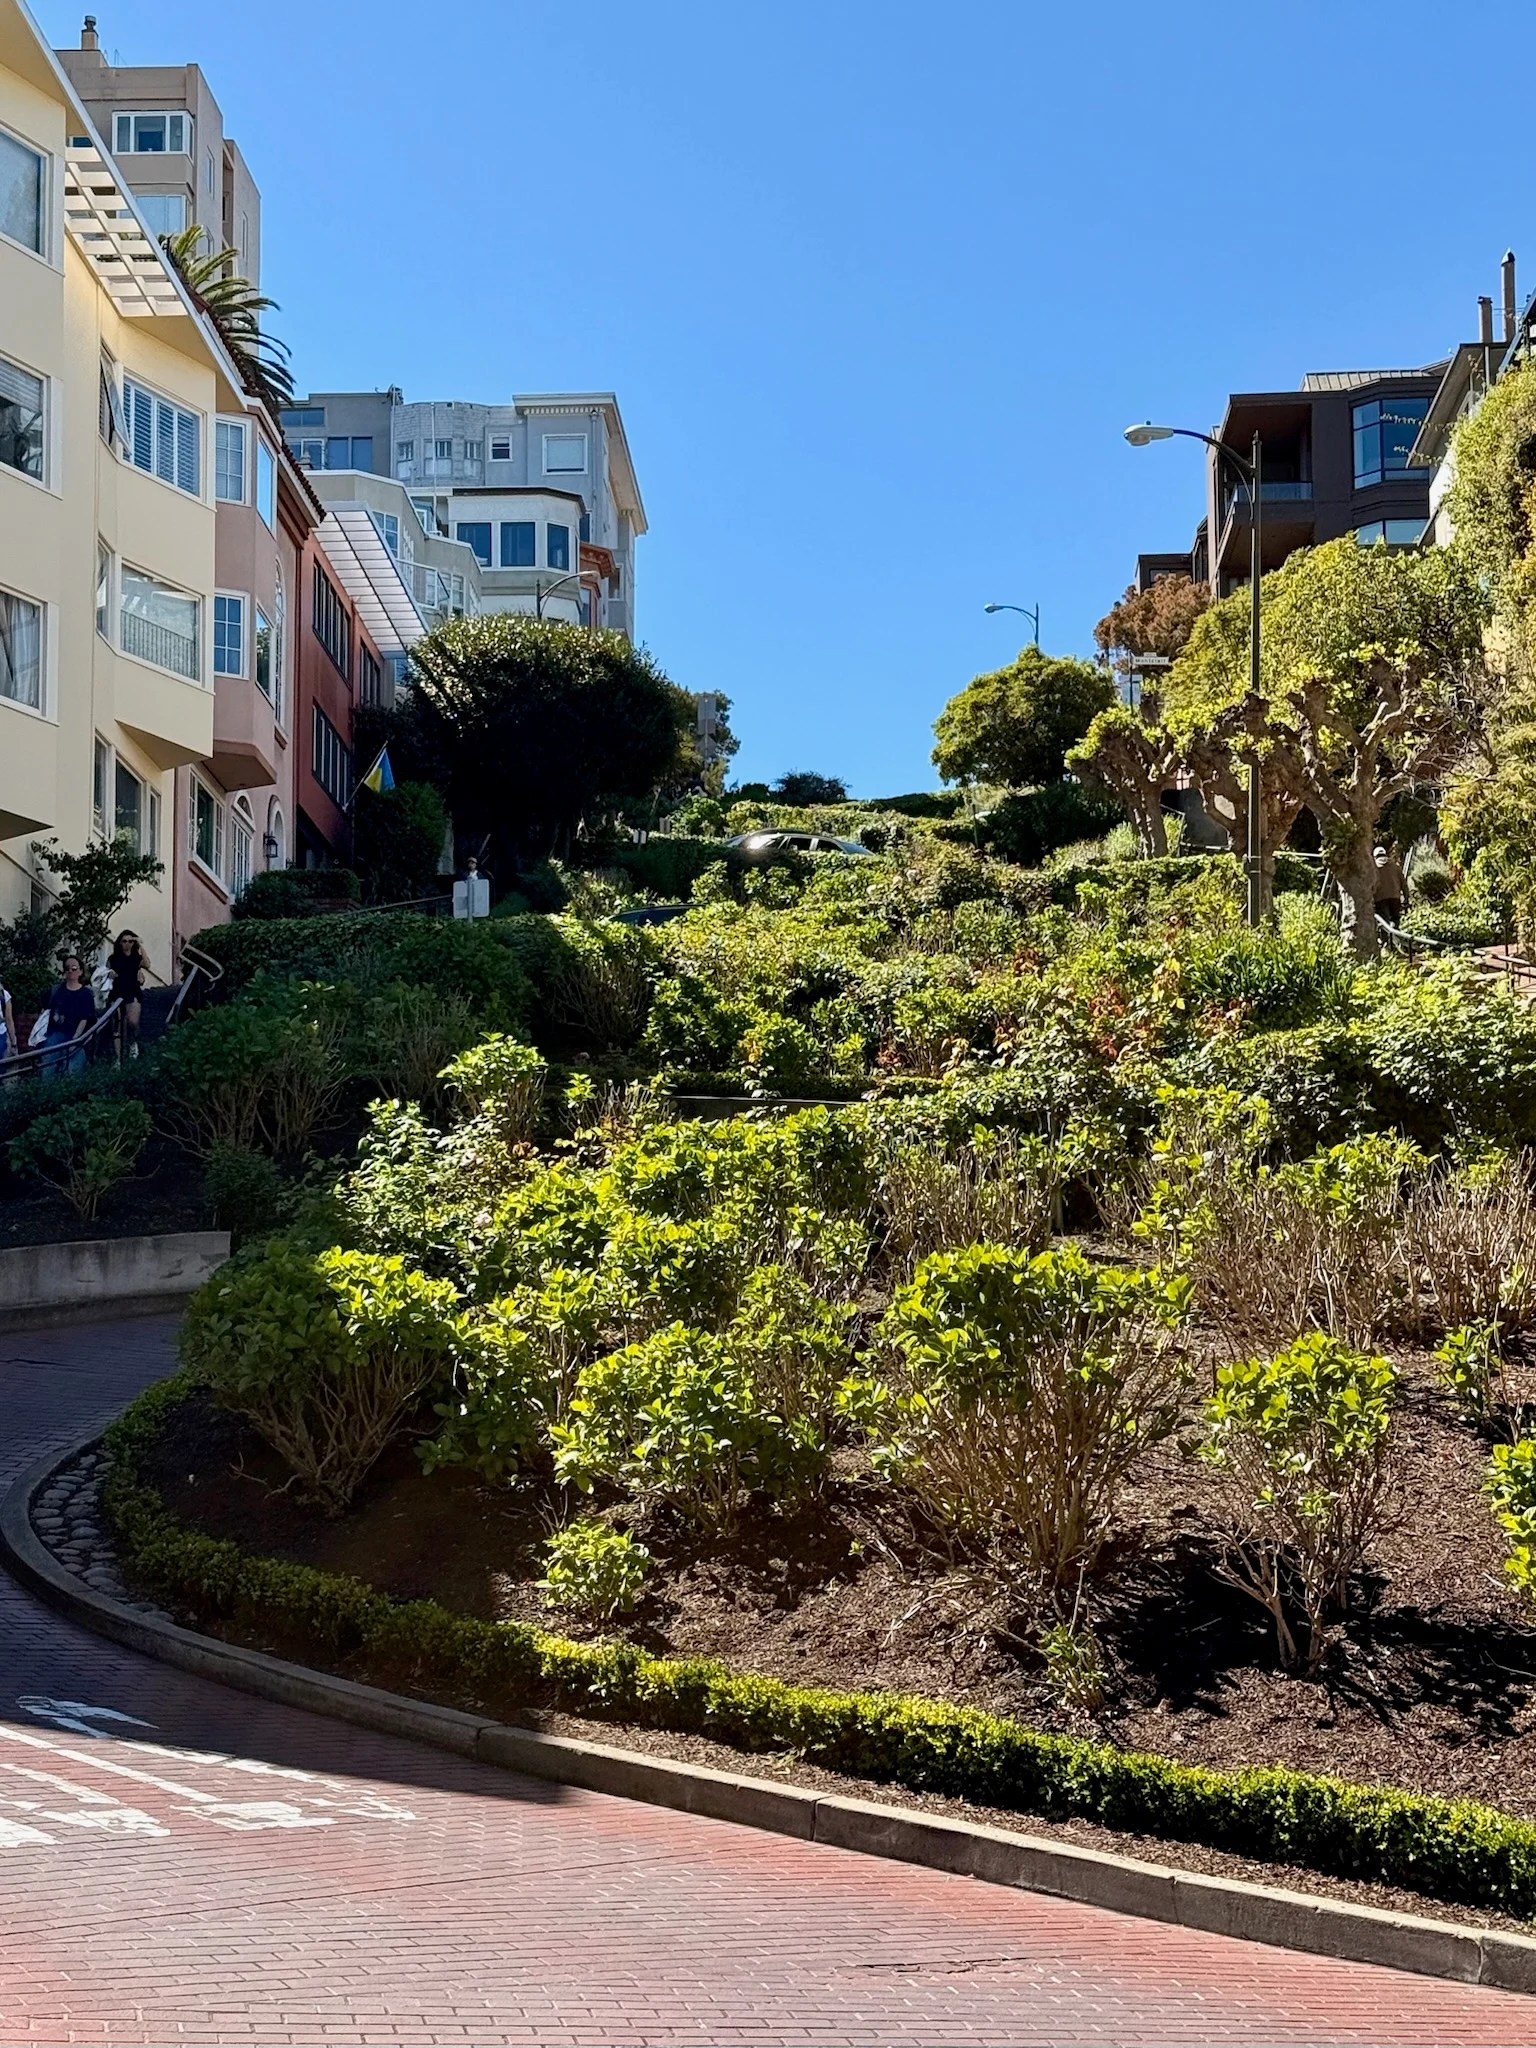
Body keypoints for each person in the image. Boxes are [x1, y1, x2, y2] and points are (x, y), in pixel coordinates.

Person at [43, 955, 96, 1076]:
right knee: (48, 1067)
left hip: (75, 1035)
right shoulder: (57, 990)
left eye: (74, 968)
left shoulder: (86, 994)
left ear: (80, 971)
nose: (70, 971)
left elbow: (85, 1018)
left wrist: (76, 1039)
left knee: (73, 1069)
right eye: (67, 968)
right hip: (55, 1034)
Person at [106, 929, 148, 1059]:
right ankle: (118, 1058)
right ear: (119, 943)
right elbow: (105, 972)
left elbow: (146, 964)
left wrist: (140, 944)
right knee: (117, 1026)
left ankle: (133, 1043)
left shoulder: (136, 957)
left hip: (133, 990)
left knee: (132, 1021)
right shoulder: (113, 958)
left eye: (130, 941)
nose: (127, 944)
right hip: (117, 991)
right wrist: (110, 975)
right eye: (124, 941)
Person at [1373, 844, 1407, 929]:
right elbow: (1403, 883)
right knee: (1395, 920)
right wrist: (1406, 897)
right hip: (1395, 898)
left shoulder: (1373, 869)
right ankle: (1397, 939)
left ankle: (1387, 940)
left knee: (1384, 923)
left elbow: (1370, 885)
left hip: (1380, 899)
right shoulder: (1395, 867)